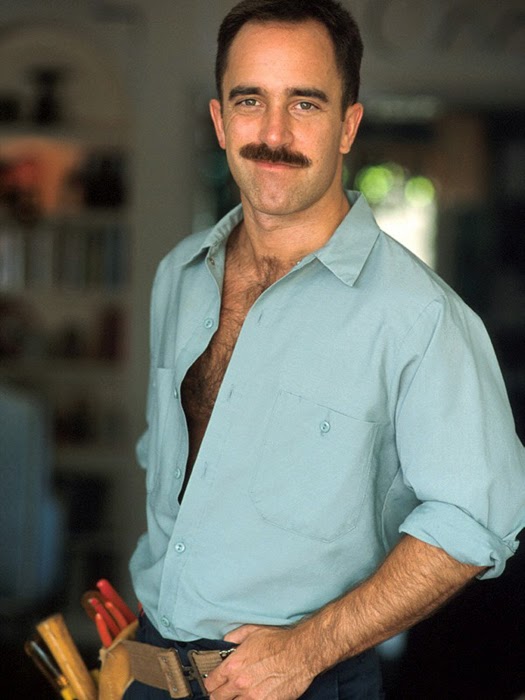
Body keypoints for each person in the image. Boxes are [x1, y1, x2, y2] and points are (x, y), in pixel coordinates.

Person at [126, 1, 525, 698]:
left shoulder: (421, 317)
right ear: (219, 119)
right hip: (149, 670)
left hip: (303, 683)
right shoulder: (178, 275)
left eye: (304, 104)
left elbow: (476, 521)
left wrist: (309, 647)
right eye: (249, 100)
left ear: (348, 126)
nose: (273, 134)